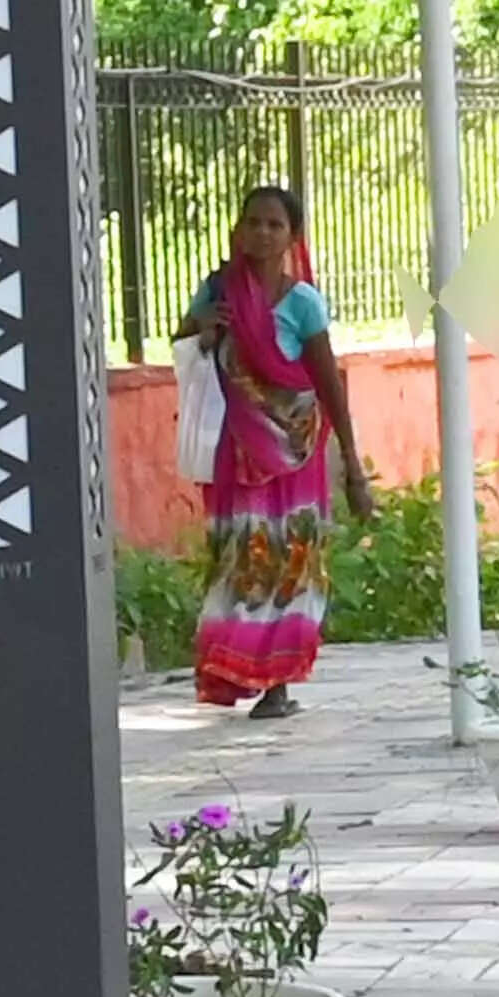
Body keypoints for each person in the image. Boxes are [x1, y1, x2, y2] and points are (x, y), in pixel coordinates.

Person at [182, 186, 368, 720]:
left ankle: (277, 685)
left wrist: (352, 464)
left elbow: (327, 382)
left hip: (295, 454)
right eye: (253, 223)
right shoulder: (219, 290)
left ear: (293, 237)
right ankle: (235, 667)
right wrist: (202, 327)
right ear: (238, 229)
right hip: (235, 453)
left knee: (288, 560)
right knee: (240, 560)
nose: (261, 234)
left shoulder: (303, 302)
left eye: (274, 225)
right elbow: (186, 342)